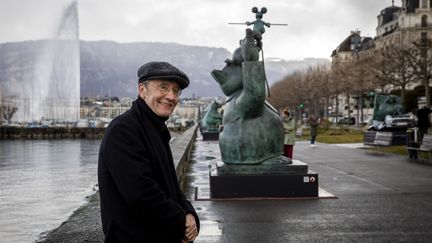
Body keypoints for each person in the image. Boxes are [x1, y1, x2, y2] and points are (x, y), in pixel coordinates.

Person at [98, 61, 199, 242]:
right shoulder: (123, 129)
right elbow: (141, 195)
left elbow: (172, 188)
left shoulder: (156, 129)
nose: (171, 96)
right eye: (163, 87)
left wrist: (190, 213)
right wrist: (181, 221)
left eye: (176, 91)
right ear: (142, 91)